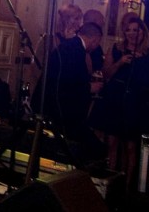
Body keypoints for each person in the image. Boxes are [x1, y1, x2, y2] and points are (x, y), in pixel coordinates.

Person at [89, 14, 149, 177]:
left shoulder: (148, 53)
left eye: (136, 30)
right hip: (115, 98)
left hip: (135, 101)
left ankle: (127, 185)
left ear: (142, 32)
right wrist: (120, 62)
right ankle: (109, 180)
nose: (132, 34)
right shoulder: (116, 48)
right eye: (128, 30)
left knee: (130, 146)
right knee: (112, 142)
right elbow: (106, 73)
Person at [36, 21, 104, 157]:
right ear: (95, 40)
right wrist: (89, 87)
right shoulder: (76, 51)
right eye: (98, 43)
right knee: (92, 149)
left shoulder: (69, 45)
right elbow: (68, 82)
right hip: (61, 110)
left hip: (51, 105)